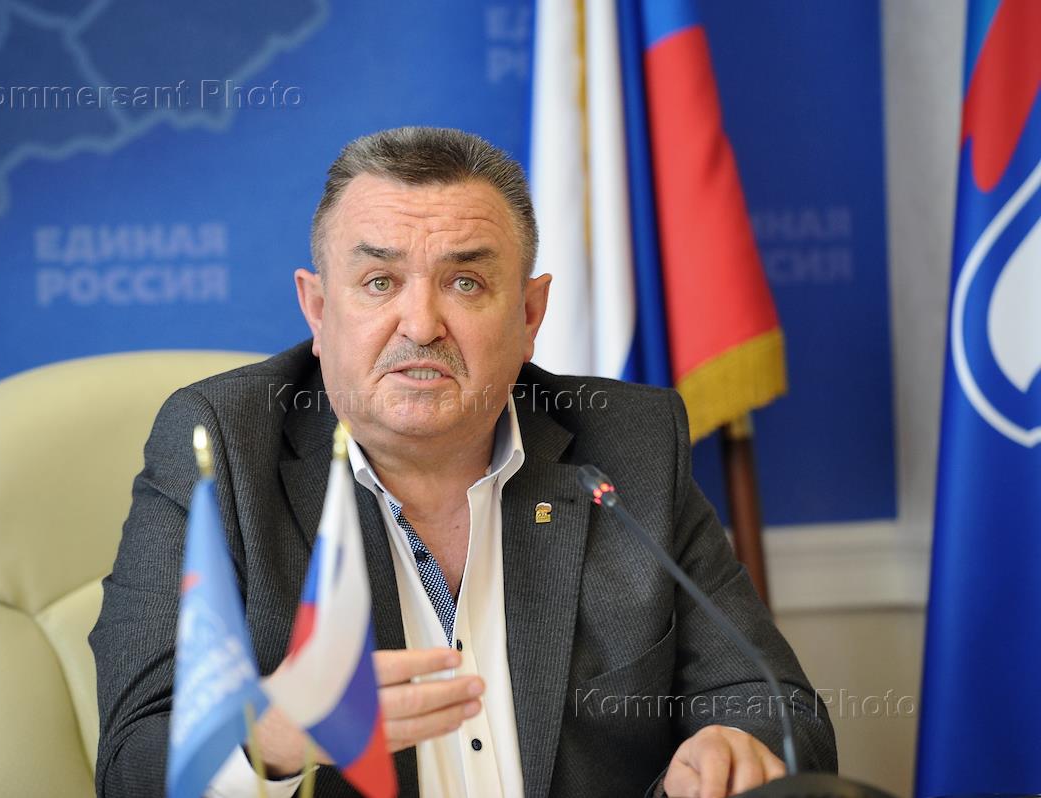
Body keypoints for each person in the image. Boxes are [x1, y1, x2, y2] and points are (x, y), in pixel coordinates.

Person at [91, 126, 837, 798]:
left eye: (465, 283)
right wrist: (273, 740)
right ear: (318, 310)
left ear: (529, 315)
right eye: (380, 282)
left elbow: (778, 707)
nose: (421, 325)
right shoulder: (222, 448)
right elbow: (131, 765)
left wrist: (734, 750)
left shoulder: (628, 445)